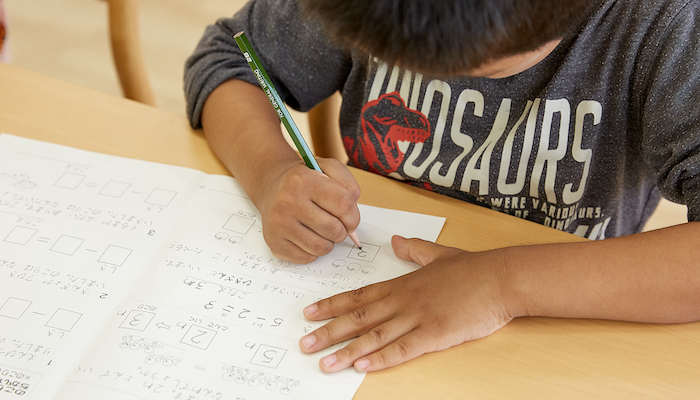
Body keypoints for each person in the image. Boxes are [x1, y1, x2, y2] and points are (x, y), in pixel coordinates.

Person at [184, 0, 700, 374]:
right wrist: (271, 172)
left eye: (477, 70)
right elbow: (227, 61)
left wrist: (501, 283)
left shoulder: (667, 24)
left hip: (564, 321)